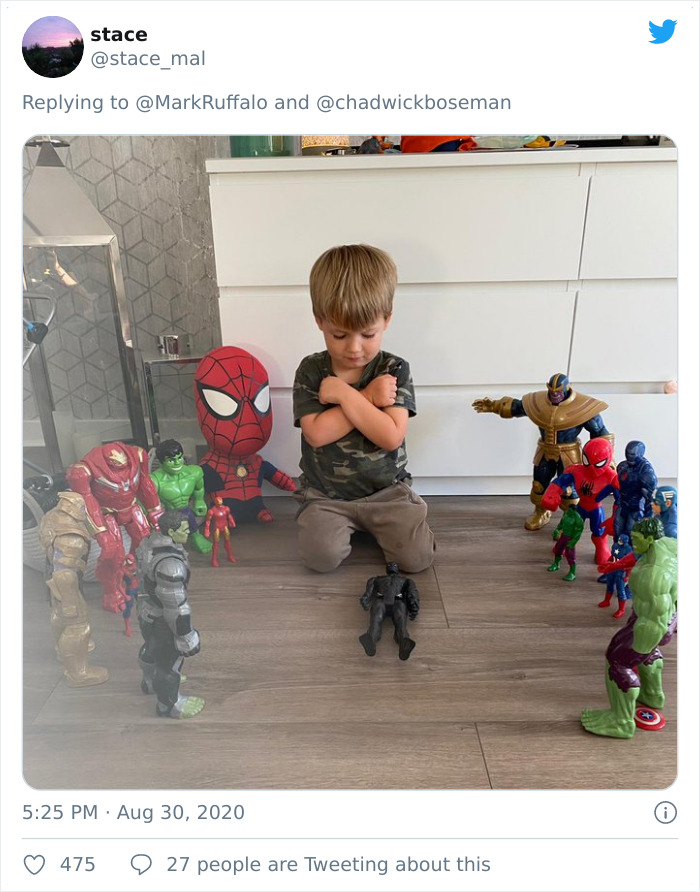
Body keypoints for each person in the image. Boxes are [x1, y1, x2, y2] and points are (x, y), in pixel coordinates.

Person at [293, 244, 434, 573]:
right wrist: (367, 399)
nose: (354, 348)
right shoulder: (312, 370)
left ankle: (396, 520)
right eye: (339, 334)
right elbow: (316, 434)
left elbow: (390, 436)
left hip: (387, 492)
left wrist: (350, 395)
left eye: (368, 334)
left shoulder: (394, 369)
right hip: (327, 496)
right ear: (319, 321)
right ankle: (348, 525)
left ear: (387, 319)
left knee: (416, 560)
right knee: (320, 558)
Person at [472, 374, 614, 531]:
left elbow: (600, 433)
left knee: (570, 489)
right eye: (551, 391)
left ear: (566, 389)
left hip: (569, 454)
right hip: (545, 450)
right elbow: (518, 407)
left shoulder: (583, 406)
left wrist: (607, 460)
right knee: (539, 484)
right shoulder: (538, 401)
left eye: (558, 392)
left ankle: (569, 520)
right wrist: (494, 406)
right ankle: (541, 512)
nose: (554, 395)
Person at [582, 517, 677, 738]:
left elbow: (654, 619)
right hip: (668, 617)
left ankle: (621, 721)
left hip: (654, 621)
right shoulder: (668, 545)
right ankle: (653, 695)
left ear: (650, 539)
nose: (633, 543)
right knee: (648, 650)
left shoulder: (652, 575)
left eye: (637, 539)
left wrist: (638, 647)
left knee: (618, 660)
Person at [136, 510, 204, 719]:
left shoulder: (149, 543)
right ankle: (170, 705)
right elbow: (175, 605)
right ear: (172, 531)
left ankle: (149, 681)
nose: (190, 532)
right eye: (185, 530)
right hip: (163, 618)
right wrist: (185, 635)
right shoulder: (171, 566)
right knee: (169, 663)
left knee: (151, 647)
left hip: (145, 609)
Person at [150, 439, 212, 553]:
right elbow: (147, 502)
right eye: (171, 460)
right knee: (167, 531)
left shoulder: (194, 472)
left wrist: (199, 501)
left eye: (179, 458)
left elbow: (199, 488)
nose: (177, 463)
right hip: (166, 512)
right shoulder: (155, 481)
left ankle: (196, 536)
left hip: (185, 508)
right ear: (161, 462)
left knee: (188, 515)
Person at [359, 562, 420, 660]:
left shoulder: (405, 581)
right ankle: (372, 638)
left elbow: (412, 593)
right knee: (377, 619)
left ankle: (403, 640)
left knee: (400, 620)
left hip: (395, 601)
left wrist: (414, 605)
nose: (392, 566)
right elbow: (368, 592)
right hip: (384, 601)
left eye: (393, 565)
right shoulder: (376, 579)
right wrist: (365, 599)